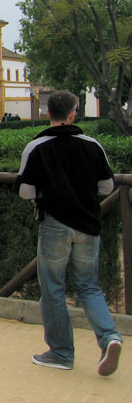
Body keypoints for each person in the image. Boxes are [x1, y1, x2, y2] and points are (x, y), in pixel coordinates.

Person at [16, 90, 122, 376]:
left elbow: (26, 191)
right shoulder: (92, 145)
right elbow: (106, 188)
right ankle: (109, 337)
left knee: (53, 287)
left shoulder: (36, 147)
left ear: (47, 113)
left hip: (54, 225)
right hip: (88, 225)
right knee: (88, 286)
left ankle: (62, 353)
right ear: (74, 113)